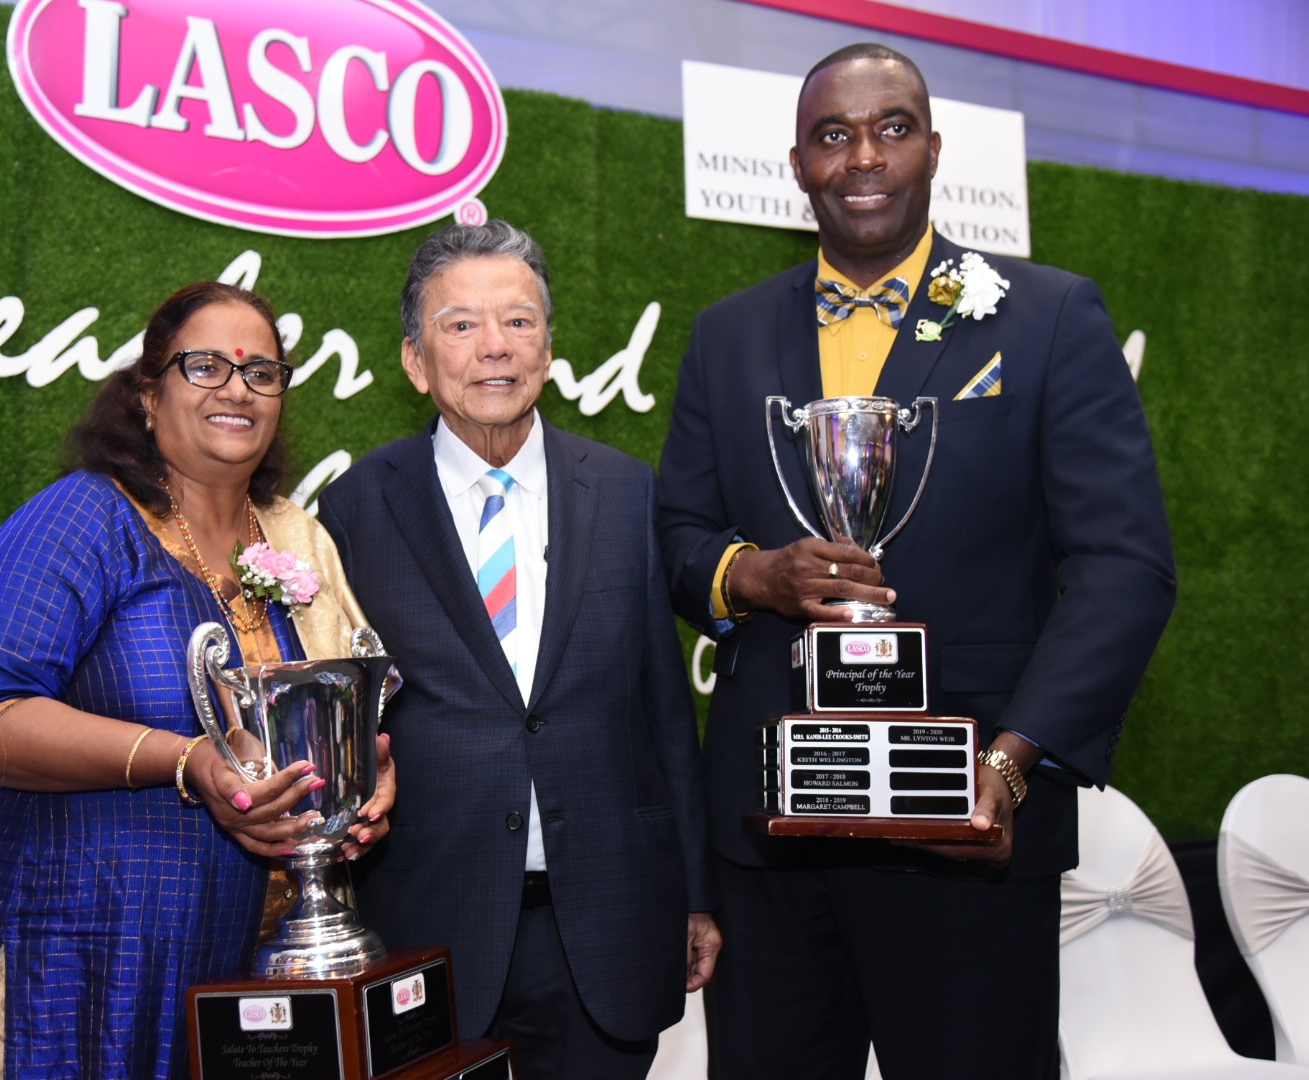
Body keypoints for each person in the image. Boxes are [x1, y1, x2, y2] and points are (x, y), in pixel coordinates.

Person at [657, 44, 1176, 1079]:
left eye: (891, 128)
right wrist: (755, 576)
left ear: (933, 149)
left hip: (963, 823)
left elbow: (1126, 566)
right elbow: (677, 534)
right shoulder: (726, 336)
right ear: (797, 164)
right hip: (773, 822)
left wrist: (1009, 765)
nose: (864, 157)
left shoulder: (1047, 316)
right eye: (833, 135)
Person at [0, 281, 393, 1080]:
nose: (237, 390)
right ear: (148, 393)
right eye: (205, 366)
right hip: (85, 963)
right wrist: (186, 761)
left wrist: (360, 778)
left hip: (252, 976)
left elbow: (328, 718)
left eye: (261, 373)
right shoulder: (81, 519)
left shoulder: (291, 541)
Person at [318, 220, 720, 1080]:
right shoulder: (356, 508)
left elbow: (662, 708)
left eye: (518, 321)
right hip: (432, 920)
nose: (494, 346)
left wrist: (695, 892)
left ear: (548, 347)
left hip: (607, 920)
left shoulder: (624, 490)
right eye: (461, 324)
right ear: (416, 361)